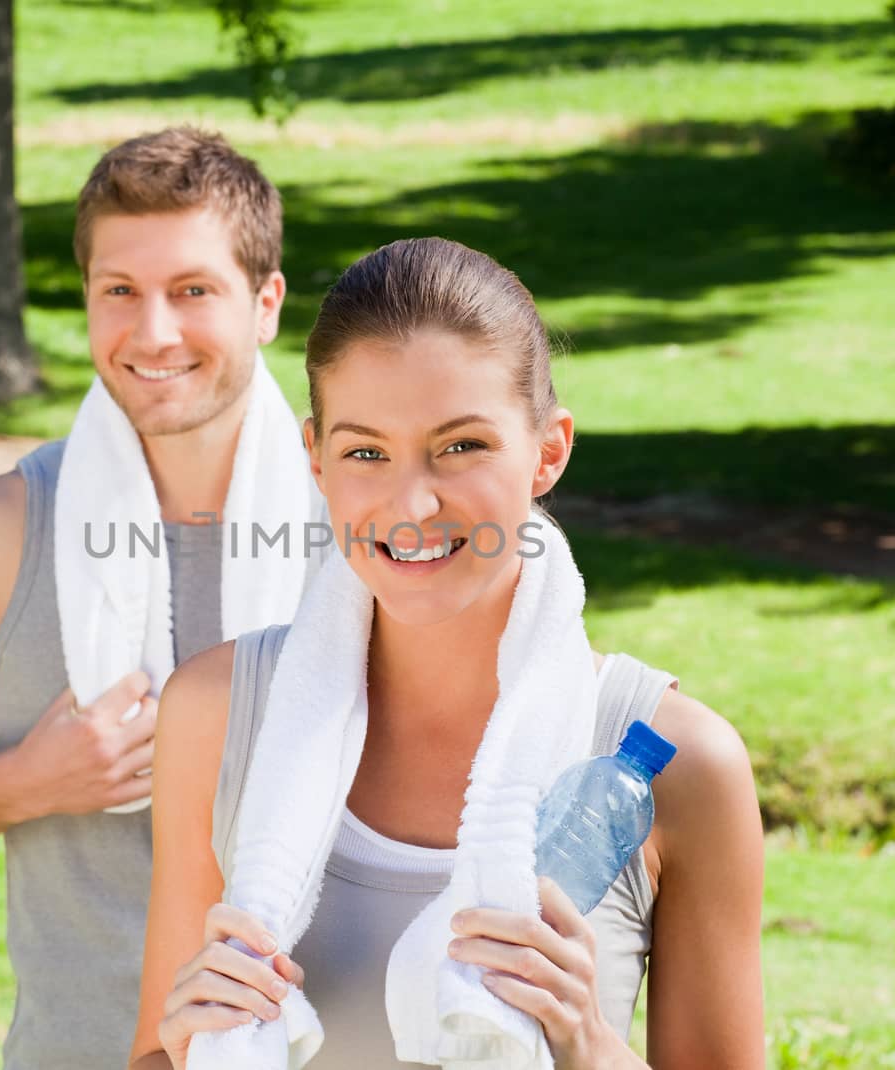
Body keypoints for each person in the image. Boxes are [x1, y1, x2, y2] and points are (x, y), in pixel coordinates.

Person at [130, 238, 765, 1069]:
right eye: (366, 453)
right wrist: (188, 1040)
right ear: (316, 458)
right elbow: (155, 1052)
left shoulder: (673, 763)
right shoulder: (216, 713)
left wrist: (587, 1045)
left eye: (462, 446)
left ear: (548, 451)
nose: (413, 502)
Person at [0, 127, 324, 1068]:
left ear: (265, 303)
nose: (153, 333)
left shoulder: (362, 527)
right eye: (120, 292)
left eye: (193, 291)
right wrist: (28, 782)